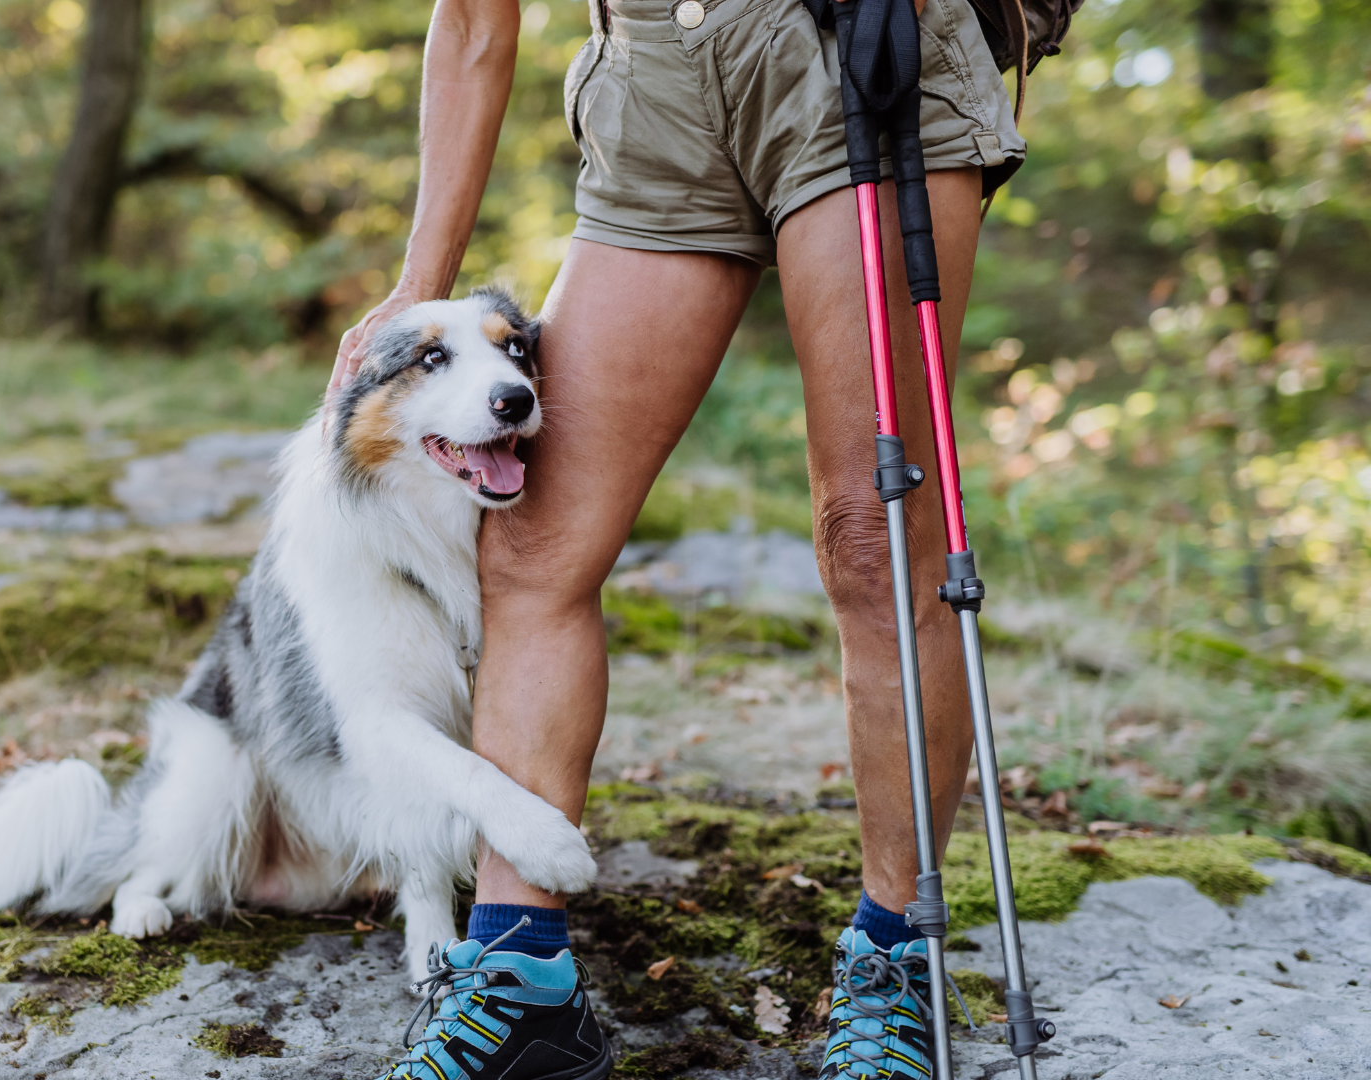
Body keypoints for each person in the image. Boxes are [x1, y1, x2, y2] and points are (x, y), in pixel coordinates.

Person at [329, 0, 1024, 1075]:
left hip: (844, 42)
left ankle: (895, 959)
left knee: (873, 535)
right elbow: (472, 17)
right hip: (654, 75)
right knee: (532, 545)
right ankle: (521, 982)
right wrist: (420, 289)